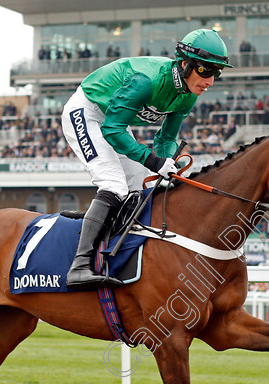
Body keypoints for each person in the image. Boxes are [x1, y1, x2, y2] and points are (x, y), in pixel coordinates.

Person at [61, 28, 232, 289]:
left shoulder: (187, 96)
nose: (210, 81)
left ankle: (114, 245)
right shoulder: (146, 80)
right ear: (185, 64)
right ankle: (79, 266)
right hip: (87, 112)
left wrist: (166, 167)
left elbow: (165, 140)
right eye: (206, 71)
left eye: (216, 73)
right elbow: (112, 129)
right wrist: (153, 162)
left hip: (114, 120)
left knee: (147, 185)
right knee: (114, 184)